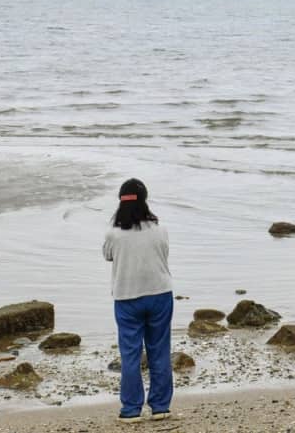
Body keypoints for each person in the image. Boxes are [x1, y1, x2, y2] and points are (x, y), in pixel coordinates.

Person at [103, 178, 173, 423]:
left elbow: (107, 256)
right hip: (160, 294)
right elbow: (164, 253)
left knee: (131, 354)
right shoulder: (160, 228)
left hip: (126, 296)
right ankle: (160, 406)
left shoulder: (114, 233)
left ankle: (131, 409)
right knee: (159, 350)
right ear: (145, 201)